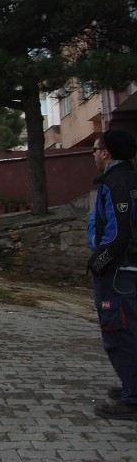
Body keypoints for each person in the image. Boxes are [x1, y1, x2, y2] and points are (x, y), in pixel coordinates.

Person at [88, 130, 137, 421]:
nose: (93, 154)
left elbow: (118, 234)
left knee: (120, 332)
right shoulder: (130, 179)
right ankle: (132, 385)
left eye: (95, 149)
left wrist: (99, 263)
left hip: (120, 271)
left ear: (106, 153)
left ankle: (132, 398)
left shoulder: (115, 183)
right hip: (128, 268)